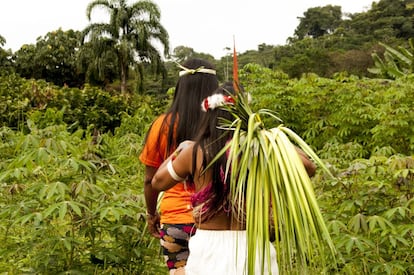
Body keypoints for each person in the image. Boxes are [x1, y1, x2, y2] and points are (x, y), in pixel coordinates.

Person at [151, 82, 317, 275]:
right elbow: (309, 168)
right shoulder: (261, 150)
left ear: (210, 117)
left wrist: (180, 150)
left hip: (208, 249)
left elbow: (158, 182)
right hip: (253, 247)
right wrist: (275, 140)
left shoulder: (194, 152)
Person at [139, 58, 219, 274]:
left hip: (175, 220)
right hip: (214, 220)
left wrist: (151, 213)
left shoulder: (162, 125)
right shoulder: (222, 125)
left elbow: (150, 179)